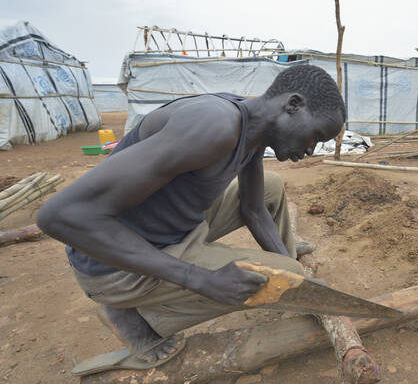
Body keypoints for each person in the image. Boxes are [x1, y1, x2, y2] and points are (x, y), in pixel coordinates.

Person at [37, 65, 347, 368]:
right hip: (113, 266)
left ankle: (292, 271)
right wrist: (200, 279)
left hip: (172, 229)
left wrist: (299, 279)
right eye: (316, 136)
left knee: (273, 191)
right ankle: (131, 315)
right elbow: (60, 216)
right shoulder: (214, 126)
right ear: (293, 105)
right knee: (269, 277)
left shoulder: (252, 127)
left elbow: (253, 209)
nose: (311, 150)